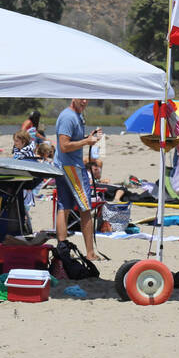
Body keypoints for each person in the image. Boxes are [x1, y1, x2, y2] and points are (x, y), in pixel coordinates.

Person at [53, 98, 103, 261]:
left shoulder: (77, 116)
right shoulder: (68, 117)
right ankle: (90, 253)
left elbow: (71, 142)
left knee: (64, 206)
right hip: (71, 167)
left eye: (86, 98)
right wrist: (87, 141)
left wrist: (90, 137)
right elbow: (64, 146)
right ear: (72, 98)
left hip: (64, 165)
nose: (84, 101)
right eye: (81, 98)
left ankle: (62, 248)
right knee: (86, 208)